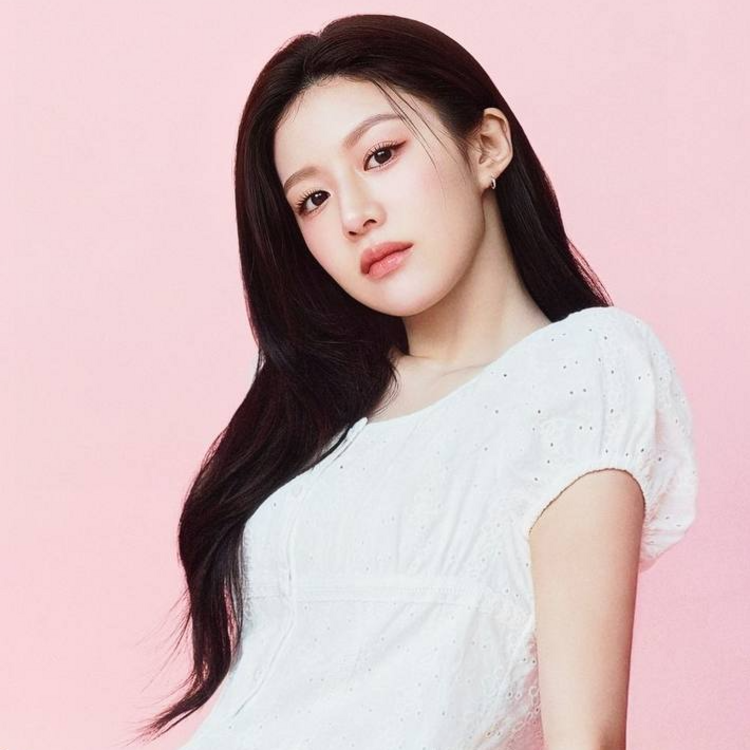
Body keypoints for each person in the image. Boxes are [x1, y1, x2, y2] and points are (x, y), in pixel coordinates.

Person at [133, 13, 698, 750]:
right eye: (313, 199)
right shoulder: (312, 404)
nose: (355, 216)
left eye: (381, 155)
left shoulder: (581, 368)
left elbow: (585, 735)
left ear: (485, 146)